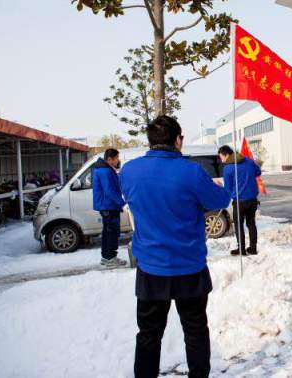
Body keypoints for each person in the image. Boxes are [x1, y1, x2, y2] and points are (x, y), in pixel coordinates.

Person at [120, 116, 231, 378]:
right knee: (195, 330)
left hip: (150, 267)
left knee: (148, 333)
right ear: (178, 139)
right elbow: (220, 199)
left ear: (150, 140)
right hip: (189, 267)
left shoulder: (129, 171)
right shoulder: (191, 171)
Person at [218, 145, 262, 256]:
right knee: (251, 223)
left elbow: (227, 188)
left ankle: (241, 249)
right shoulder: (248, 160)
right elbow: (258, 172)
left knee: (239, 225)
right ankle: (253, 248)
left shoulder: (228, 168)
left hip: (239, 201)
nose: (222, 160)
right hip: (252, 200)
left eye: (221, 157)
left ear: (226, 155)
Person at [92, 148, 127, 267]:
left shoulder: (104, 169)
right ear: (109, 159)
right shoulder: (105, 171)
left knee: (108, 232)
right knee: (112, 232)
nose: (118, 160)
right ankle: (110, 258)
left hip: (107, 206)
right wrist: (122, 203)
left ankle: (106, 257)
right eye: (117, 158)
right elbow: (109, 190)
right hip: (109, 206)